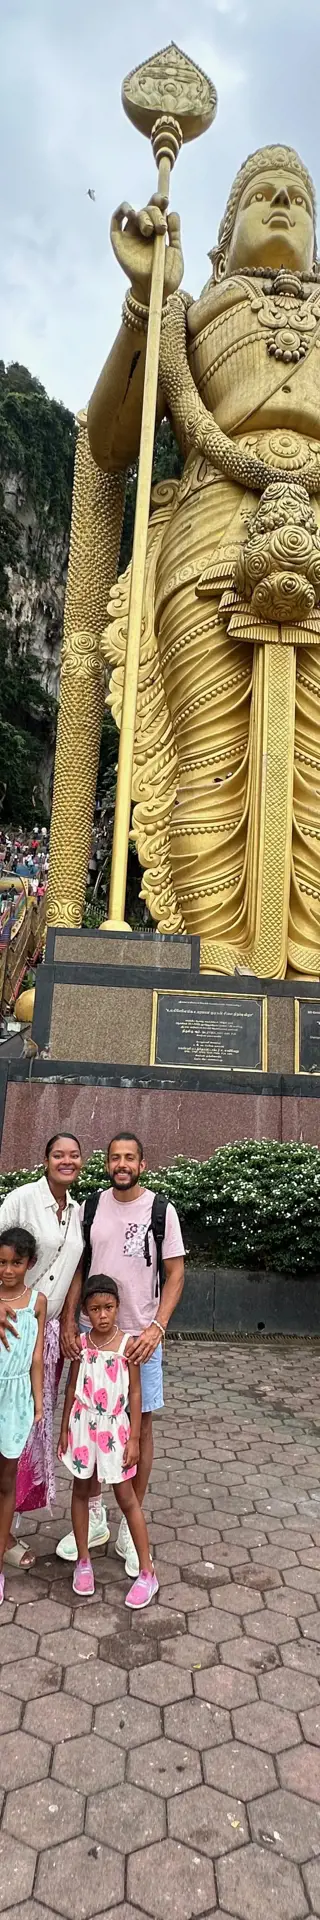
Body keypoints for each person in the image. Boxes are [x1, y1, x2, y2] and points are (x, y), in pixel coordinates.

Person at [59, 1131, 184, 1576]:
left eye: (130, 1157)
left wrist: (157, 1327)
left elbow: (175, 1274)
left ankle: (131, 1527)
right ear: (107, 1163)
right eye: (115, 1157)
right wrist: (70, 1319)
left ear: (142, 1164)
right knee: (88, 1419)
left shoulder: (161, 1210)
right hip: (92, 1335)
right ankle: (94, 1516)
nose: (122, 1164)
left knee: (140, 1426)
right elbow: (77, 1267)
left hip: (140, 1338)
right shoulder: (91, 1208)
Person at [0, 1133, 108, 1567]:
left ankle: (6, 1528)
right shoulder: (22, 1200)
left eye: (74, 1155)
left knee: (28, 1431)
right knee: (8, 1430)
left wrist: (67, 1321)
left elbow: (77, 1267)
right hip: (12, 1328)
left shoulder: (77, 1211)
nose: (67, 1160)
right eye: (58, 1154)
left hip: (49, 1331)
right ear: (44, 1159)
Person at [58, 1272, 158, 1608]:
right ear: (85, 1311)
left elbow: (136, 1393)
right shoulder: (82, 1345)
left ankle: (147, 1571)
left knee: (126, 1498)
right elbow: (71, 1388)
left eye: (109, 1307)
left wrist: (134, 1439)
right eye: (95, 1309)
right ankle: (83, 1561)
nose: (102, 1315)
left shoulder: (128, 1346)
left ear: (118, 1307)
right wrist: (64, 1429)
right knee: (80, 1490)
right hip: (82, 1427)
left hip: (115, 1432)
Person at [0, 1227, 46, 1604]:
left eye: (16, 1262)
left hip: (16, 1401)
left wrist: (39, 1402)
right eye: (1, 1262)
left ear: (30, 1263)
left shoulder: (37, 1302)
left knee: (6, 1481)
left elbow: (36, 1357)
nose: (8, 1270)